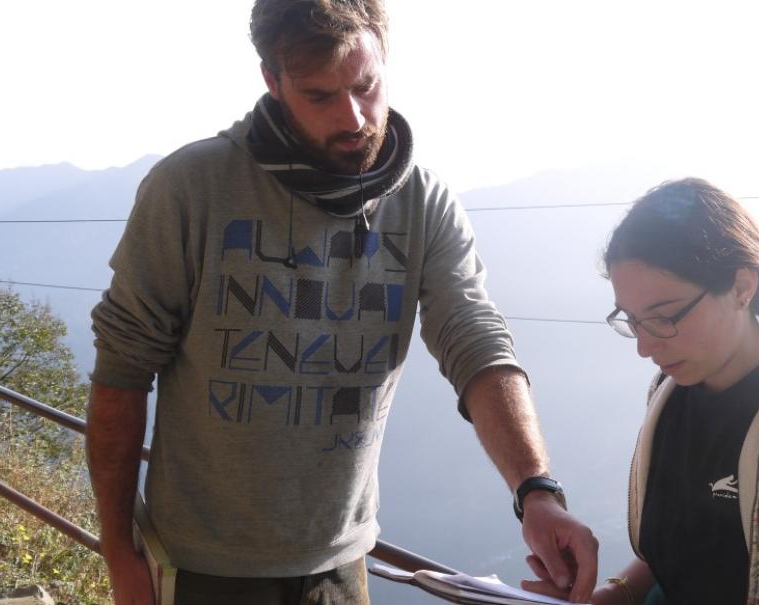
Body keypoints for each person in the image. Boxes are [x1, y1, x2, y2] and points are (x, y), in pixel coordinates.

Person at [84, 1, 597, 604]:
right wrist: (119, 551)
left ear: (386, 60)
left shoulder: (421, 202)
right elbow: (121, 372)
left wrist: (536, 490)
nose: (353, 116)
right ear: (272, 84)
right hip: (199, 565)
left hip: (342, 563)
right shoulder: (191, 189)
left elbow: (475, 339)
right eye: (319, 96)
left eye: (365, 86)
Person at [529, 178, 759, 604]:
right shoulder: (671, 390)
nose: (645, 347)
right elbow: (691, 545)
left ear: (742, 287)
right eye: (631, 320)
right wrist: (618, 593)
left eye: (665, 316)